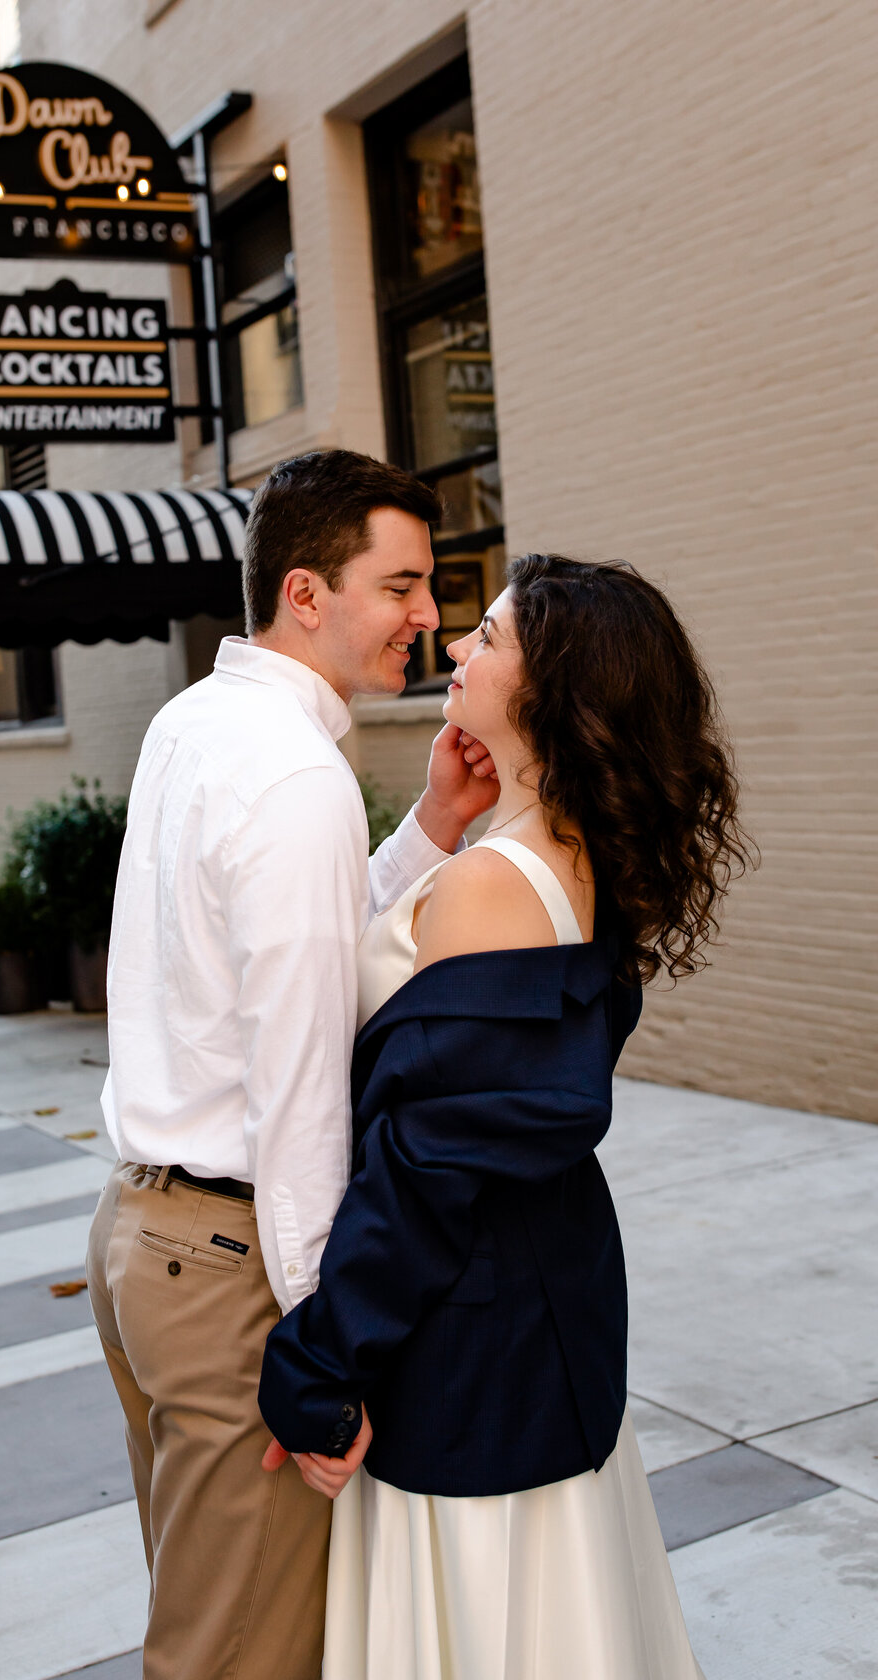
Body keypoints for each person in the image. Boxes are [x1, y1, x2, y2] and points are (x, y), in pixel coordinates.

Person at [258, 552, 755, 1680]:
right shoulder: (569, 858)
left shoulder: (492, 887)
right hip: (541, 1295)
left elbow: (423, 1169)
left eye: (487, 637)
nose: (454, 647)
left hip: (468, 1328)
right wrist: (448, 818)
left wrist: (320, 1365)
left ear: (547, 690)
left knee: (484, 1623)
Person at [85, 450, 499, 1680]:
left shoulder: (196, 723)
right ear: (308, 593)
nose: (430, 617)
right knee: (234, 1658)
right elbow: (304, 1091)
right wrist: (327, 1355)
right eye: (403, 585)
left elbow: (282, 968)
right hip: (227, 1275)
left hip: (136, 1245)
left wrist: (427, 831)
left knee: (207, 1619)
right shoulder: (298, 774)